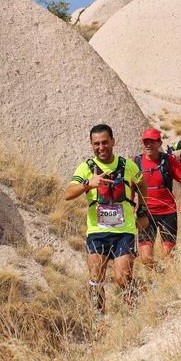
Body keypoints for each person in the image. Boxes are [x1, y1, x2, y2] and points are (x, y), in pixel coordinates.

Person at [64, 124, 147, 316]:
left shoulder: (127, 165)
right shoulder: (86, 167)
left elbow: (142, 183)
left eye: (105, 142)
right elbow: (68, 194)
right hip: (97, 232)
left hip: (123, 231)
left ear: (113, 142)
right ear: (91, 145)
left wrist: (142, 210)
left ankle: (136, 308)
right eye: (96, 144)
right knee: (96, 277)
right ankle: (99, 318)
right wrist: (88, 184)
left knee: (122, 278)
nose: (101, 147)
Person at [134, 128, 181, 268]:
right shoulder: (136, 163)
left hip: (168, 213)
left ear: (159, 143)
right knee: (146, 259)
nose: (148, 145)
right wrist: (130, 206)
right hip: (146, 214)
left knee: (168, 257)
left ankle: (166, 281)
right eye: (146, 141)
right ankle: (157, 274)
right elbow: (129, 187)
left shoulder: (168, 161)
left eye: (152, 141)